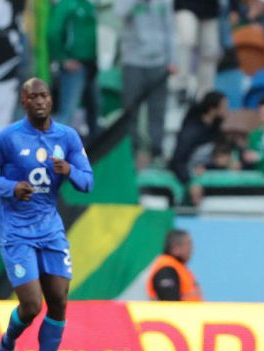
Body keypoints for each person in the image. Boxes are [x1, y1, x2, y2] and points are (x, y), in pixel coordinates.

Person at [0, 78, 94, 351]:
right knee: (31, 305)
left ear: (51, 100)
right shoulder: (7, 137)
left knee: (59, 299)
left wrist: (69, 170)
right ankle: (5, 345)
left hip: (51, 230)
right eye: (33, 96)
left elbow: (87, 181)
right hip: (17, 231)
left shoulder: (67, 137)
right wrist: (11, 188)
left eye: (44, 95)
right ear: (24, 101)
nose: (40, 101)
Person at [115, 0, 178, 168]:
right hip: (133, 61)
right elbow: (119, 12)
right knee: (131, 110)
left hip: (159, 62)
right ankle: (132, 152)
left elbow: (170, 28)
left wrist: (172, 59)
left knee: (157, 111)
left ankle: (156, 152)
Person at [47, 0, 100, 138]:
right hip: (74, 67)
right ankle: (53, 149)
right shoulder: (66, 5)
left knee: (94, 108)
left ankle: (96, 149)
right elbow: (52, 32)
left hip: (91, 64)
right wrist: (62, 59)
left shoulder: (88, 5)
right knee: (68, 113)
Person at [168, 91, 229, 205]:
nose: (227, 110)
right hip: (188, 176)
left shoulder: (215, 127)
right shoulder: (191, 132)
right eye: (224, 107)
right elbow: (177, 161)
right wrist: (190, 182)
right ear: (212, 109)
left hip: (205, 175)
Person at [147, 229, 202, 301]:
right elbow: (169, 302)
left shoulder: (179, 268)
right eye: (188, 244)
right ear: (175, 248)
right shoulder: (166, 269)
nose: (191, 249)